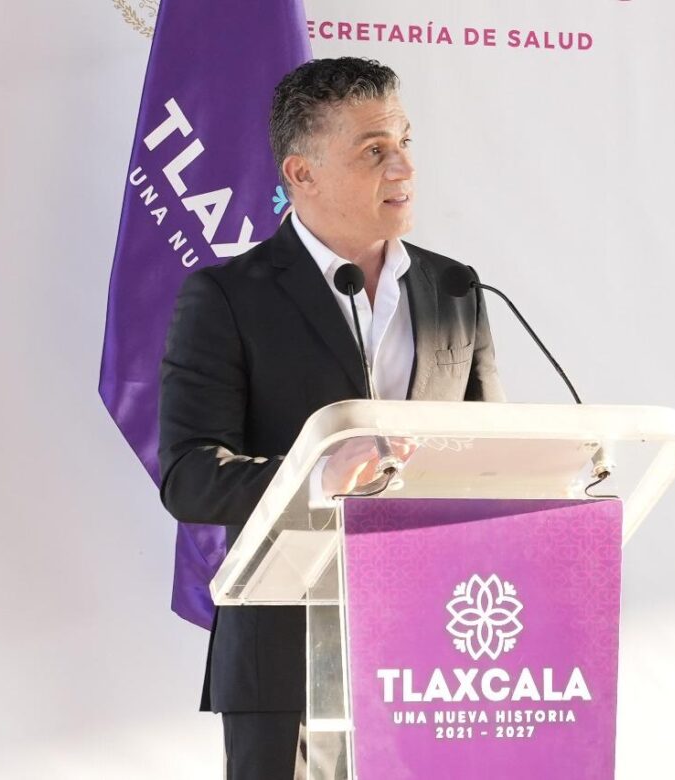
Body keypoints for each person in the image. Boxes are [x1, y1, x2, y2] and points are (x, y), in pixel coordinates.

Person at [157, 56, 503, 779]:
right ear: (302, 174)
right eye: (374, 150)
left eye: (405, 141)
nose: (404, 165)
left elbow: (488, 454)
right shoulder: (228, 298)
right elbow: (189, 477)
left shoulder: (455, 288)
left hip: (438, 651)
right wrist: (315, 475)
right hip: (287, 654)